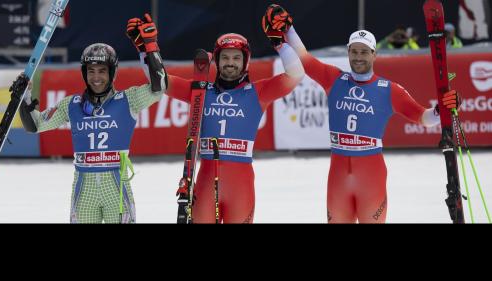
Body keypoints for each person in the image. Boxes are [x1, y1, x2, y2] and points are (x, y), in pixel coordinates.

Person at [268, 4, 461, 223]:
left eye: (364, 52)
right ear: (348, 52)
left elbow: (423, 118)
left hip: (371, 178)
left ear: (374, 54)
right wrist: (288, 29)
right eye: (354, 51)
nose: (358, 57)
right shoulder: (334, 79)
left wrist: (441, 110)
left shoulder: (389, 90)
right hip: (338, 178)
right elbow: (305, 58)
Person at [126, 10, 304, 223]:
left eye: (236, 58)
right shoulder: (201, 90)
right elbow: (160, 82)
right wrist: (146, 49)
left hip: (241, 185)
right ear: (217, 61)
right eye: (225, 57)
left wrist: (280, 43)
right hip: (205, 181)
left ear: (245, 62)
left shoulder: (259, 93)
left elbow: (296, 74)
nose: (230, 62)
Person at [18, 14, 168, 223]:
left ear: (113, 72)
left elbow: (159, 87)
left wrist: (148, 48)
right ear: (84, 73)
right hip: (84, 187)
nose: (96, 77)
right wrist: (23, 98)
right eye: (91, 71)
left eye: (102, 71)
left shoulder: (128, 99)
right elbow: (35, 125)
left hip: (116, 186)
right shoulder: (72, 104)